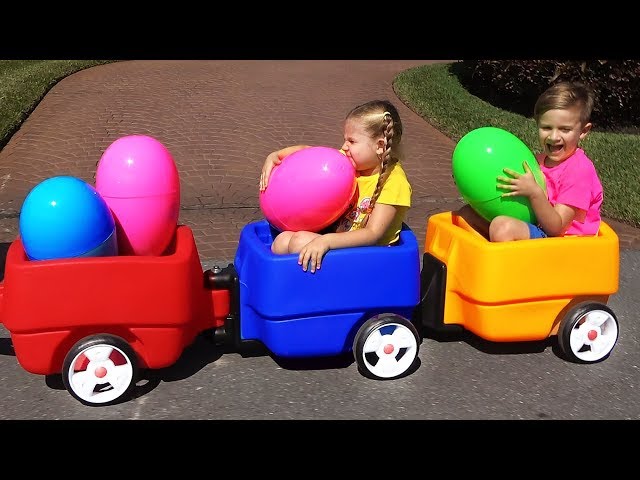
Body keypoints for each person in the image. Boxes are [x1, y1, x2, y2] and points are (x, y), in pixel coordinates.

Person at [259, 99, 412, 273]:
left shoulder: (394, 181)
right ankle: (292, 288)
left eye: (352, 141)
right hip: (342, 245)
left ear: (380, 146)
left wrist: (326, 241)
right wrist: (276, 155)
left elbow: (373, 234)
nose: (344, 146)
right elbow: (309, 152)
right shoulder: (351, 163)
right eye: (345, 139)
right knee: (281, 241)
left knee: (299, 242)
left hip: (371, 259)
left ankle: (307, 292)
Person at [456, 81, 603, 242]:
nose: (553, 137)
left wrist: (534, 192)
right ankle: (486, 256)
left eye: (564, 129)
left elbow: (556, 228)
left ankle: (502, 264)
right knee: (466, 214)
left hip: (564, 242)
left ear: (583, 131)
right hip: (538, 228)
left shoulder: (579, 171)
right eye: (546, 128)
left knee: (503, 227)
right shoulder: (538, 161)